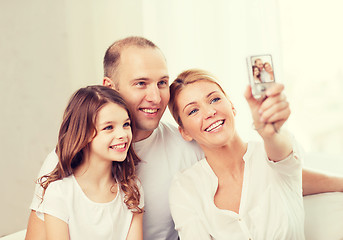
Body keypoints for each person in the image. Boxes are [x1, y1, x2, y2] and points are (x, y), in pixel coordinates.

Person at [26, 36, 343, 240]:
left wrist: (336, 181)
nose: (155, 96)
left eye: (162, 82)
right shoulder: (68, 156)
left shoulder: (187, 145)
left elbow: (265, 173)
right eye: (141, 83)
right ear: (109, 86)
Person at [168, 69, 305, 239]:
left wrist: (270, 132)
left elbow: (281, 151)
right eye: (193, 111)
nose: (210, 112)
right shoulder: (185, 187)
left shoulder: (272, 155)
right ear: (185, 132)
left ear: (231, 105)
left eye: (215, 99)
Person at [35, 85, 144, 239]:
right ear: (83, 134)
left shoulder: (132, 189)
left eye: (126, 124)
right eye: (109, 127)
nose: (122, 134)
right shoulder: (60, 192)